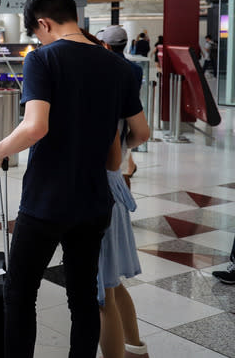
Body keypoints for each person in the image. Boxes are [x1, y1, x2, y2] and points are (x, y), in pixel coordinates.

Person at [0, 0, 149, 358]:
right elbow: (140, 132)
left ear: (43, 24)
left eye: (36, 34)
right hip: (94, 201)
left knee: (20, 292)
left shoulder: (42, 60)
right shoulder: (117, 66)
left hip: (46, 199)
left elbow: (35, 127)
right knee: (83, 297)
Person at [86, 31, 150, 358]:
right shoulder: (127, 77)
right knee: (112, 283)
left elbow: (110, 155)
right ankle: (138, 350)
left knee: (102, 295)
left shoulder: (100, 88)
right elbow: (141, 132)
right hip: (115, 186)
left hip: (101, 192)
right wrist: (126, 151)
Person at [97, 26, 143, 186]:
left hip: (105, 124)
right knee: (121, 170)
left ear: (106, 45)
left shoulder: (100, 68)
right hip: (128, 121)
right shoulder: (135, 70)